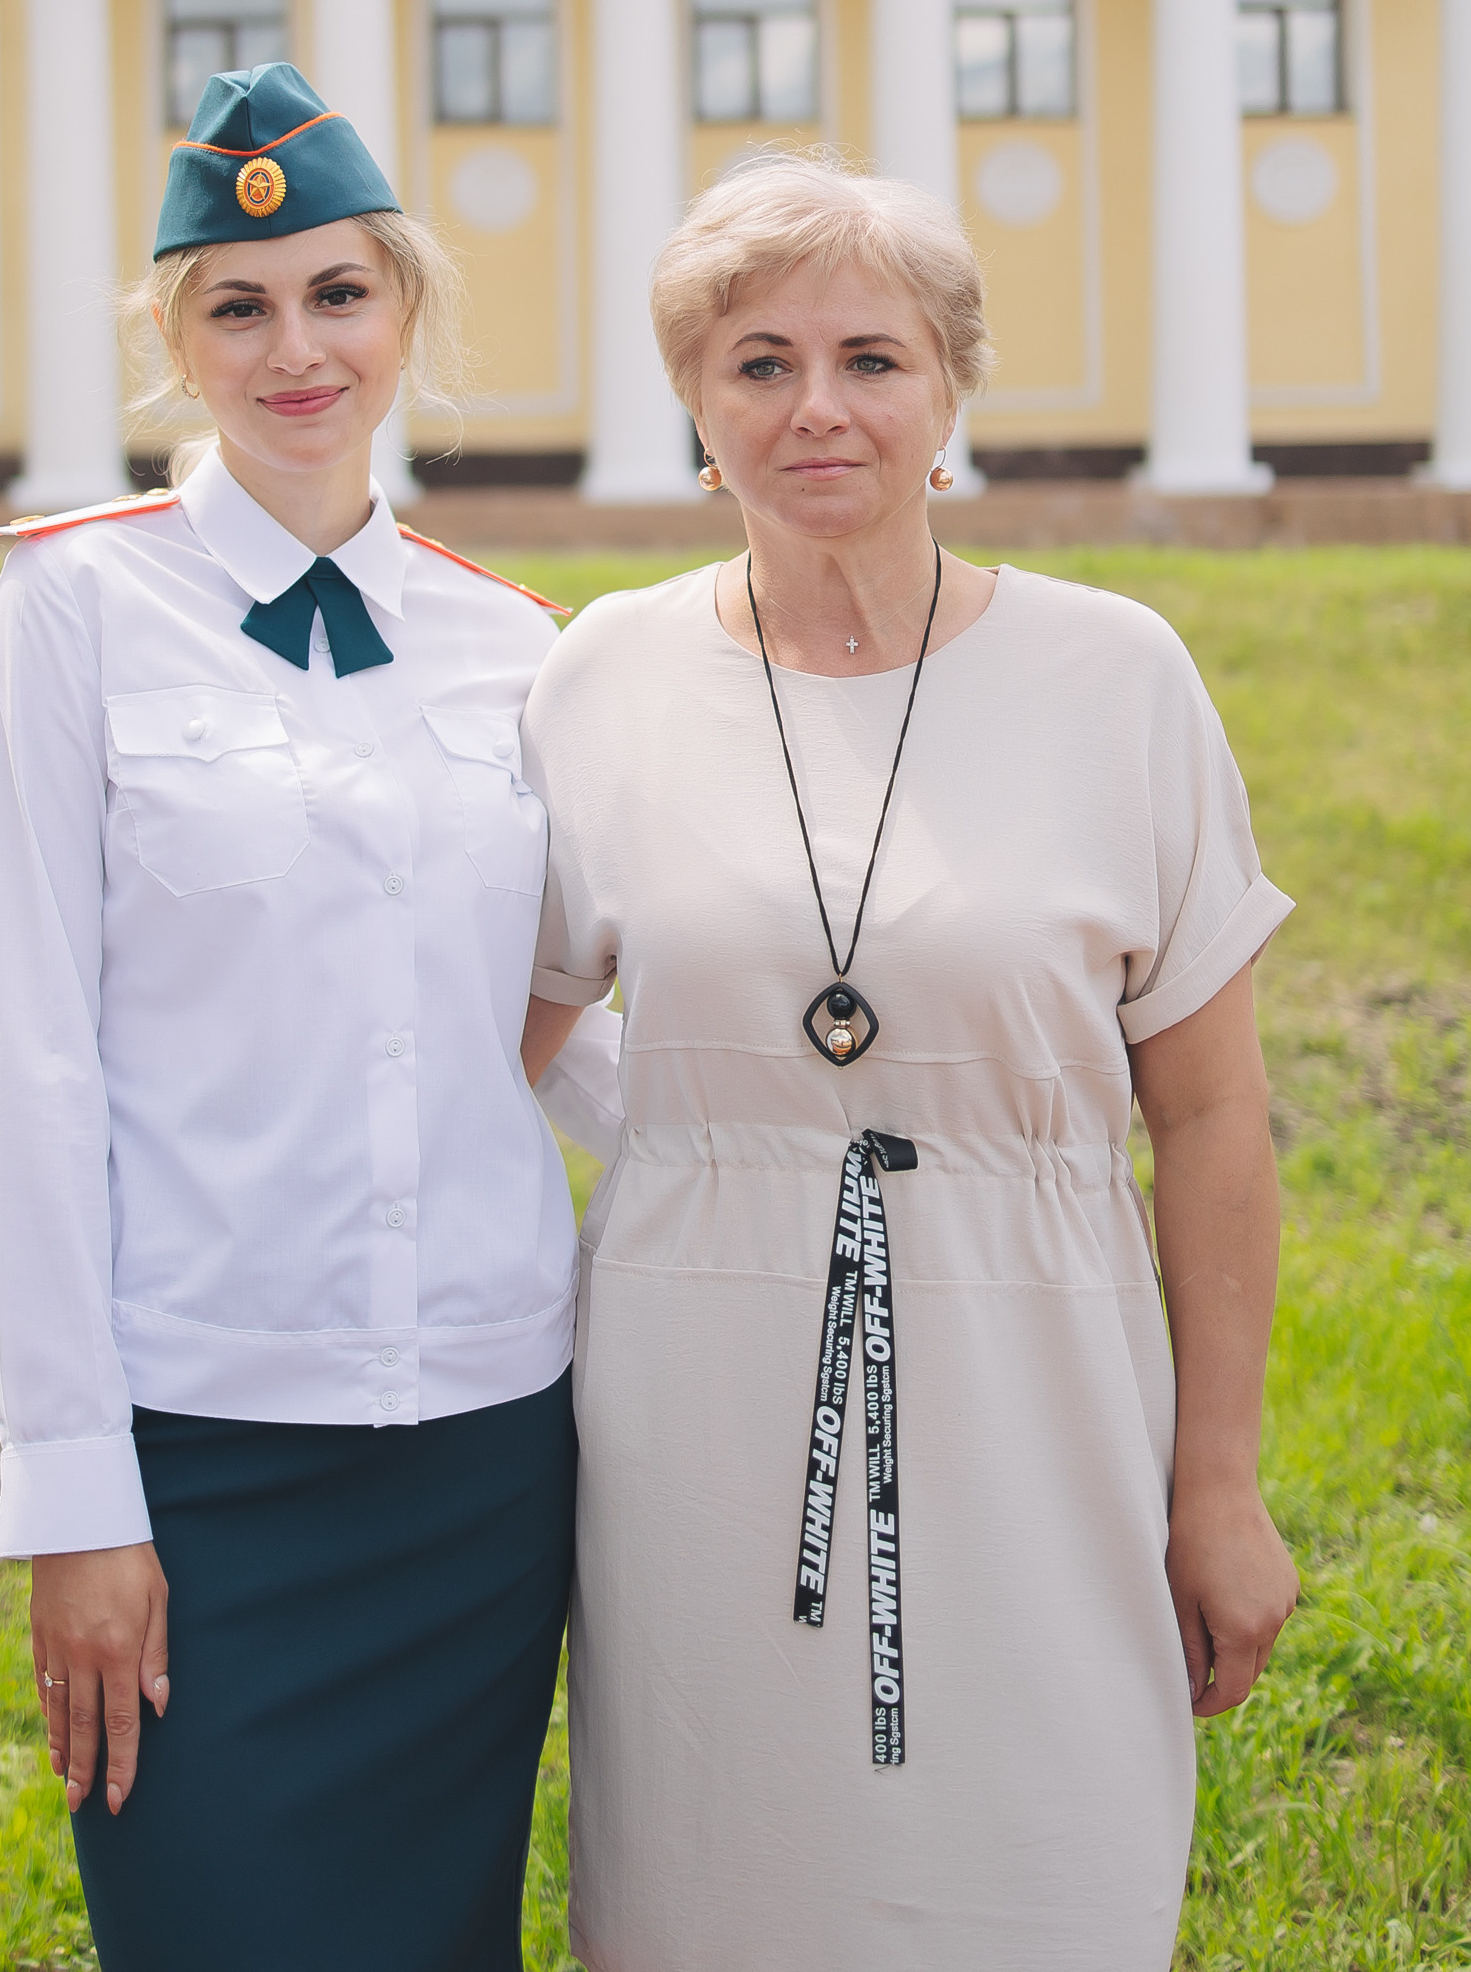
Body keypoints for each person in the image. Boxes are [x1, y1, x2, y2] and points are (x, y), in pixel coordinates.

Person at [519, 150, 1300, 1972]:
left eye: (871, 357)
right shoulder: (600, 680)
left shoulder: (1120, 676)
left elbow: (1208, 1114)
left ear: (949, 393)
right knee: (719, 1890)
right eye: (759, 361)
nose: (818, 406)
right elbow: (500, 1046)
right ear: (697, 411)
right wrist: (709, 1134)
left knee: (1046, 1863)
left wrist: (1218, 1477)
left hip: (1042, 1378)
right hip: (692, 1400)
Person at [0, 62, 612, 1972]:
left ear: (406, 317)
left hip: (484, 1448)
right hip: (203, 1447)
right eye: (238, 304)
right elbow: (35, 1062)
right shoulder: (74, 615)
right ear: (178, 341)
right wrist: (73, 1497)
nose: (295, 346)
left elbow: (558, 1010)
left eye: (339, 294)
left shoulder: (519, 642)